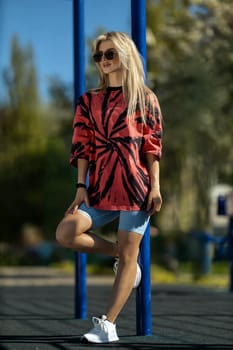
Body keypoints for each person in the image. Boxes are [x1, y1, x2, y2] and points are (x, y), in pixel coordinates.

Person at [56, 31, 163, 344]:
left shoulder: (145, 98)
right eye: (99, 56)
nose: (103, 61)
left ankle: (108, 325)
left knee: (131, 257)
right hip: (100, 190)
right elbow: (82, 147)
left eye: (110, 54)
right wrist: (80, 187)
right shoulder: (88, 101)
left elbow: (152, 148)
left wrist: (155, 186)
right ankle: (122, 256)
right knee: (66, 232)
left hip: (136, 189)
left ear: (125, 56)